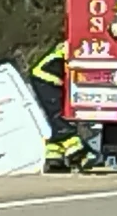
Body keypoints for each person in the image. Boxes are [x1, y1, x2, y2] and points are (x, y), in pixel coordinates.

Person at [30, 42, 96, 171]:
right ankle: (78, 153)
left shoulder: (70, 46)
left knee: (56, 121)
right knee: (59, 117)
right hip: (46, 79)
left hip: (45, 78)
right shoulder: (72, 46)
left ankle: (54, 159)